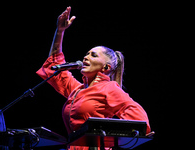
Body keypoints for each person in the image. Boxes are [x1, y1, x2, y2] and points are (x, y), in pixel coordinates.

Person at [36, 6, 151, 150]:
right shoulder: (77, 90)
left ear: (106, 68)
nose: (86, 57)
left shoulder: (109, 88)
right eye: (87, 54)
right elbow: (54, 64)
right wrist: (60, 31)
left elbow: (138, 119)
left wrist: (112, 140)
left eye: (93, 55)